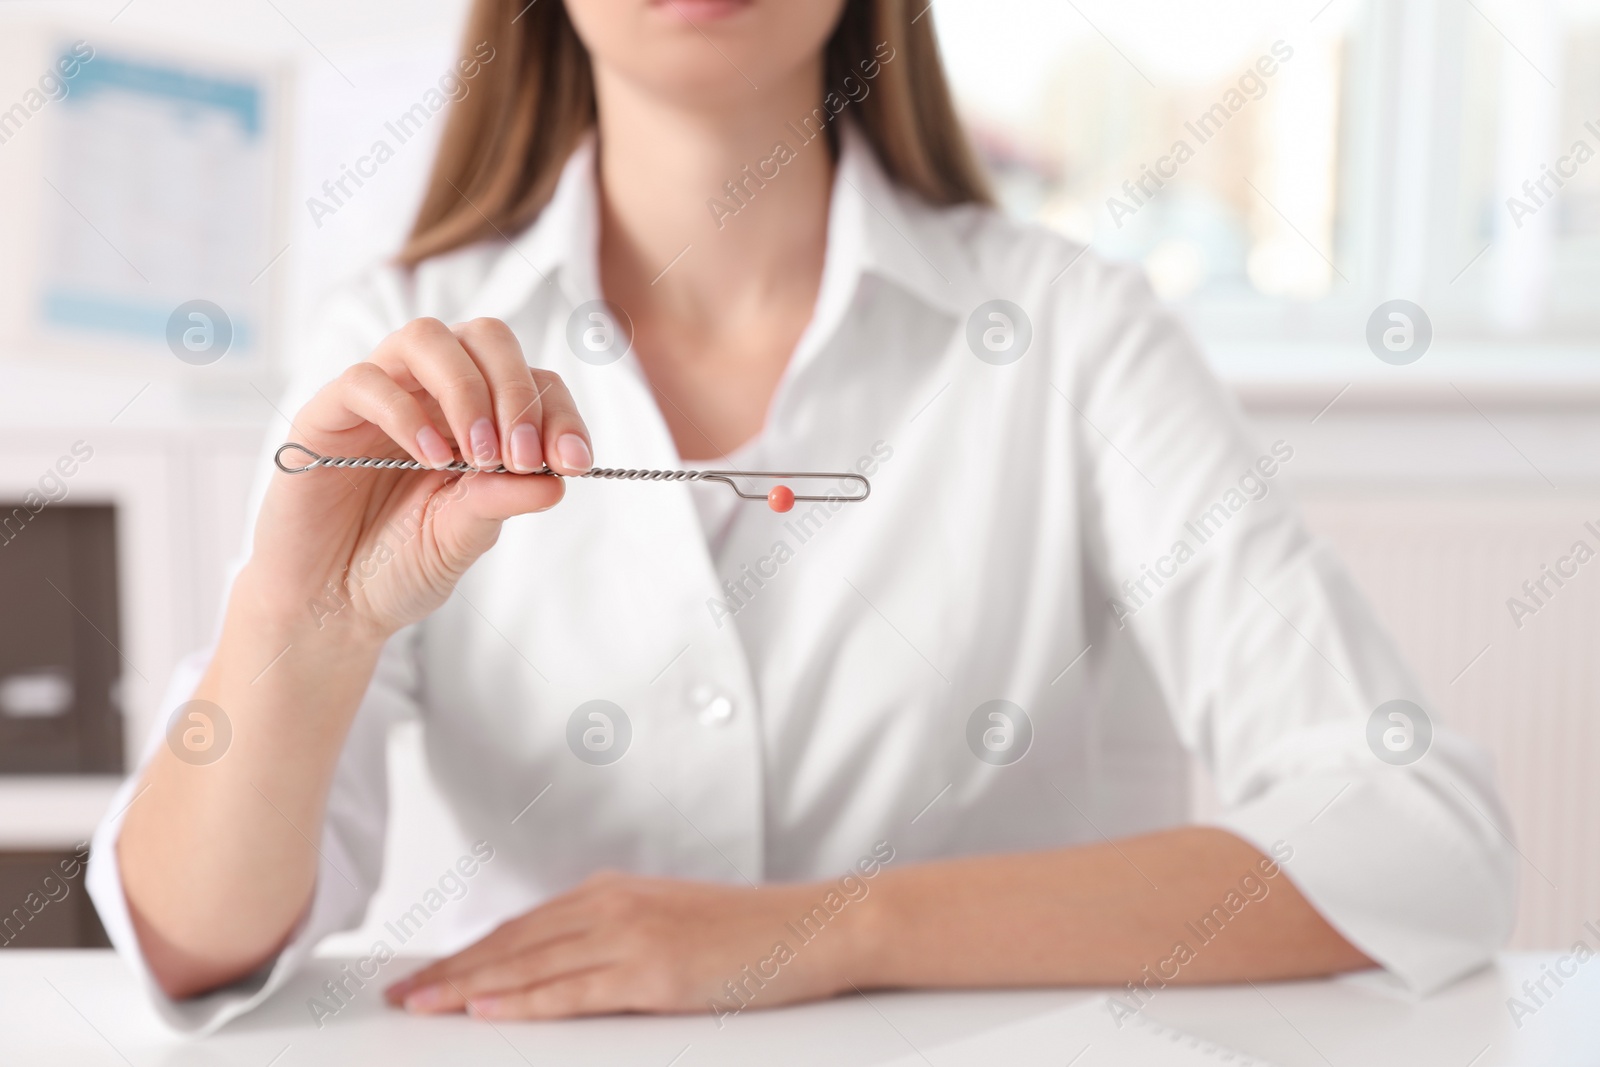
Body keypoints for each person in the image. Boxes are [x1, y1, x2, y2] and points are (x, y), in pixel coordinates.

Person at [90, 0, 1515, 1033]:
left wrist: (835, 931)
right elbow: (189, 952)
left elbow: (1417, 841)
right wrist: (301, 629)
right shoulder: (397, 339)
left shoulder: (1076, 335)